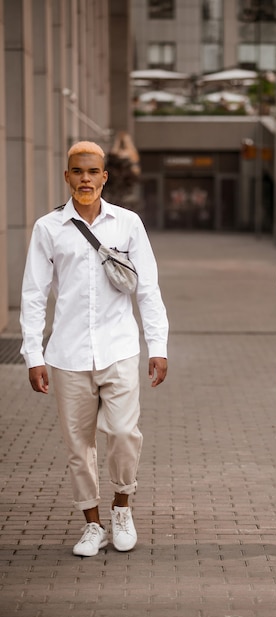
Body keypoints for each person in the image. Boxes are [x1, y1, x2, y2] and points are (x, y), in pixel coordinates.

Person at [20, 141, 169, 557]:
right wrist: (33, 355)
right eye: (77, 171)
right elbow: (34, 295)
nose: (85, 179)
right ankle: (91, 523)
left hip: (119, 348)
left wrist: (158, 345)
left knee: (124, 433)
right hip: (67, 355)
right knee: (78, 448)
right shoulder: (47, 228)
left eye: (93, 172)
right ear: (67, 177)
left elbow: (149, 289)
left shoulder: (128, 224)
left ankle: (122, 507)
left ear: (105, 177)